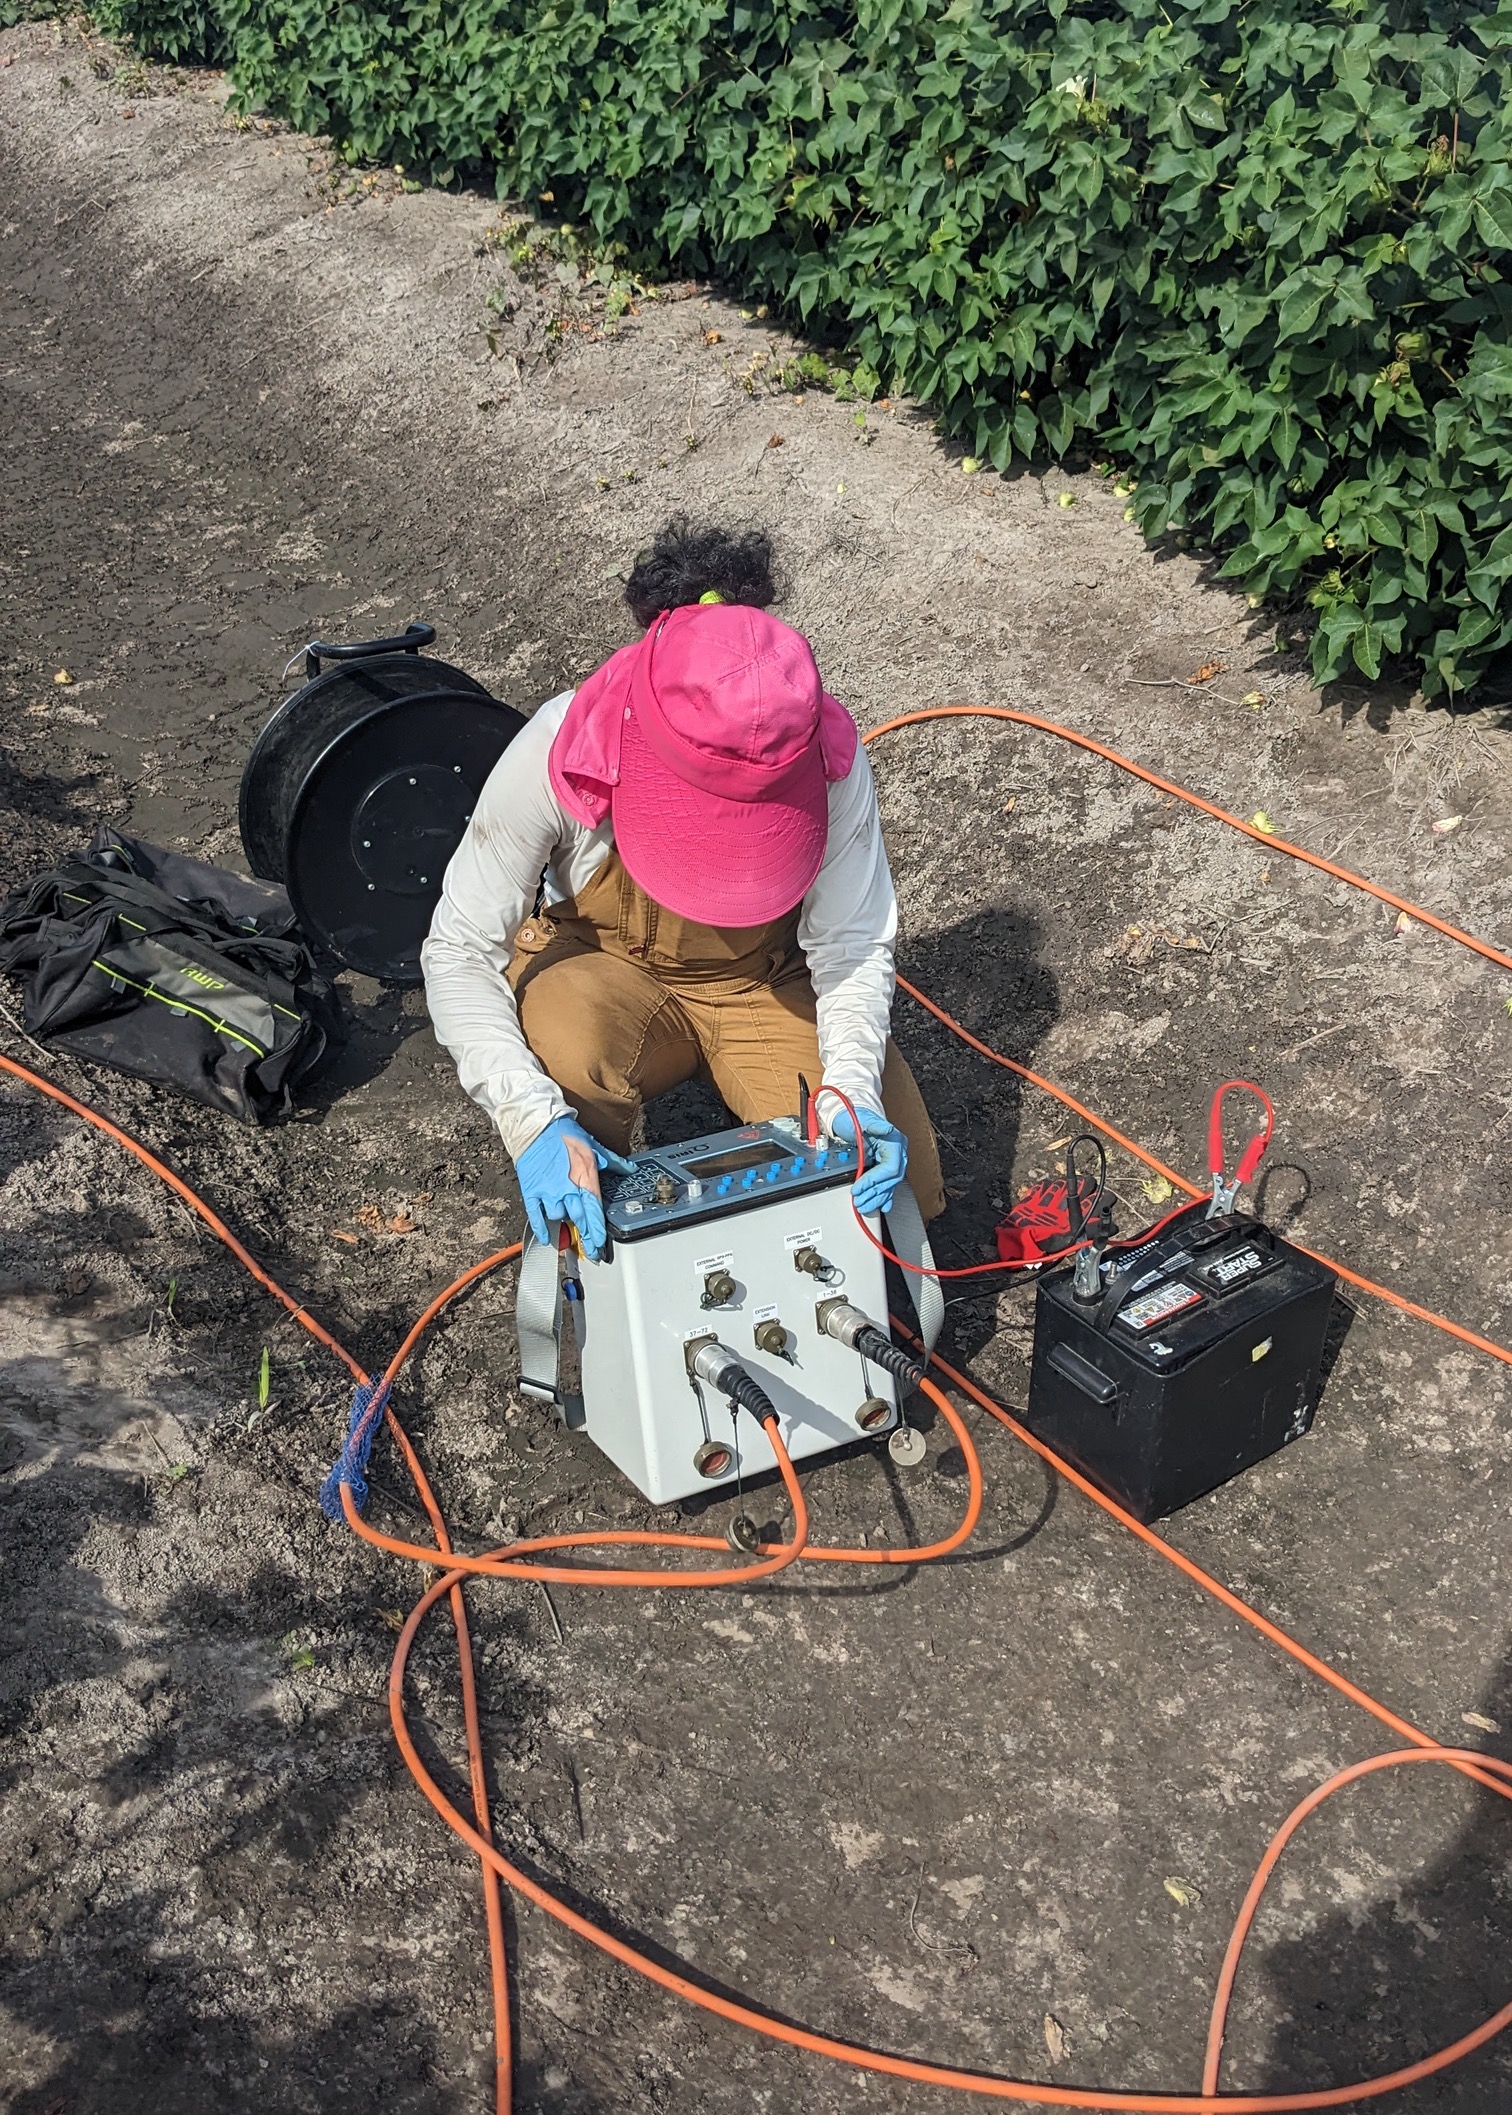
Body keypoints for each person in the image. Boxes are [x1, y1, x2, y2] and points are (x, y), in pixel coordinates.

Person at [422, 517, 944, 1260]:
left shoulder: (827, 752)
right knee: (568, 1045)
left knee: (897, 1198)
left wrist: (852, 1092)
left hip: (761, 978)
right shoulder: (562, 747)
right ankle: (581, 1214)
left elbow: (853, 940)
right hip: (610, 966)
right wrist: (532, 1120)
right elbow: (459, 950)